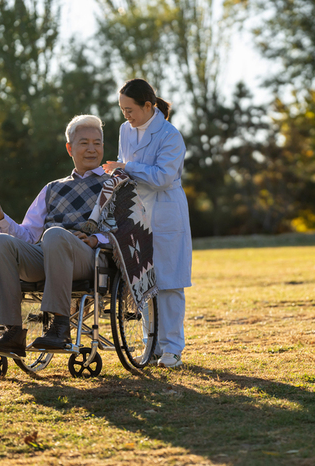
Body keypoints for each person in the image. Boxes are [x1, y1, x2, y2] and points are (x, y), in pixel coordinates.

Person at [0, 114, 110, 356]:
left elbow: (127, 230)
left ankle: (59, 326)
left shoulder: (115, 184)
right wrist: (1, 219)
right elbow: (27, 235)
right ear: (70, 148)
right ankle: (12, 332)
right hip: (48, 252)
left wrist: (97, 239)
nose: (92, 149)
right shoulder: (53, 188)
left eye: (97, 142)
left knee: (55, 235)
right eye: (84, 143)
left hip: (89, 257)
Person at [103, 78, 192, 368]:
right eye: (122, 109)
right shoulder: (124, 131)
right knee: (143, 281)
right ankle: (150, 345)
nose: (126, 115)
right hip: (136, 212)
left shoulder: (170, 135)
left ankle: (172, 349)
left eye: (130, 109)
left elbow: (163, 177)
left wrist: (127, 168)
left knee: (168, 283)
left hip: (166, 211)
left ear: (148, 106)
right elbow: (122, 165)